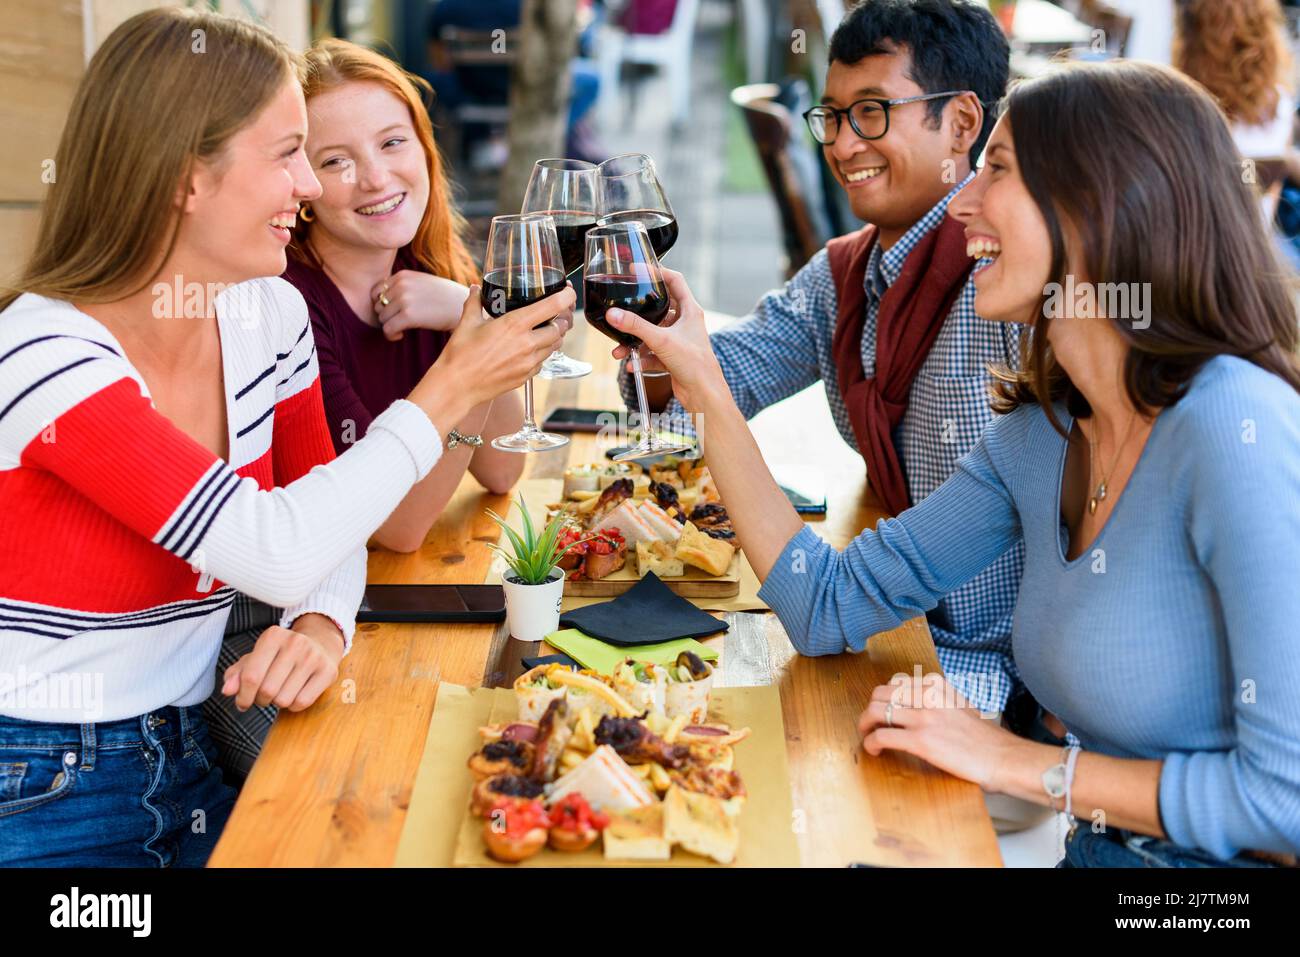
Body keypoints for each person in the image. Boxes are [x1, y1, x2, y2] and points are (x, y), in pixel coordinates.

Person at [604, 61, 1300, 866]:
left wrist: (1015, 761)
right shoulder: (1041, 435)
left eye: (997, 170)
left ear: (1103, 201)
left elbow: (1283, 800)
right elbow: (827, 604)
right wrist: (708, 393)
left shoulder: (1235, 427)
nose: (962, 200)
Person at [0, 7, 570, 866]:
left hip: (190, 753)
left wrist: (320, 628)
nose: (310, 186)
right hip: (44, 783)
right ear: (185, 177)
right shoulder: (46, 356)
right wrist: (456, 381)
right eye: (290, 154)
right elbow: (274, 545)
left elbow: (324, 518)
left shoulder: (266, 314)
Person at [625, 0, 1023, 719]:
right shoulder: (844, 275)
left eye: (871, 112)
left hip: (988, 679)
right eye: (832, 116)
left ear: (962, 123)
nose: (841, 145)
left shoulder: (1008, 286)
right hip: (888, 622)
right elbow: (716, 378)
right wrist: (642, 325)